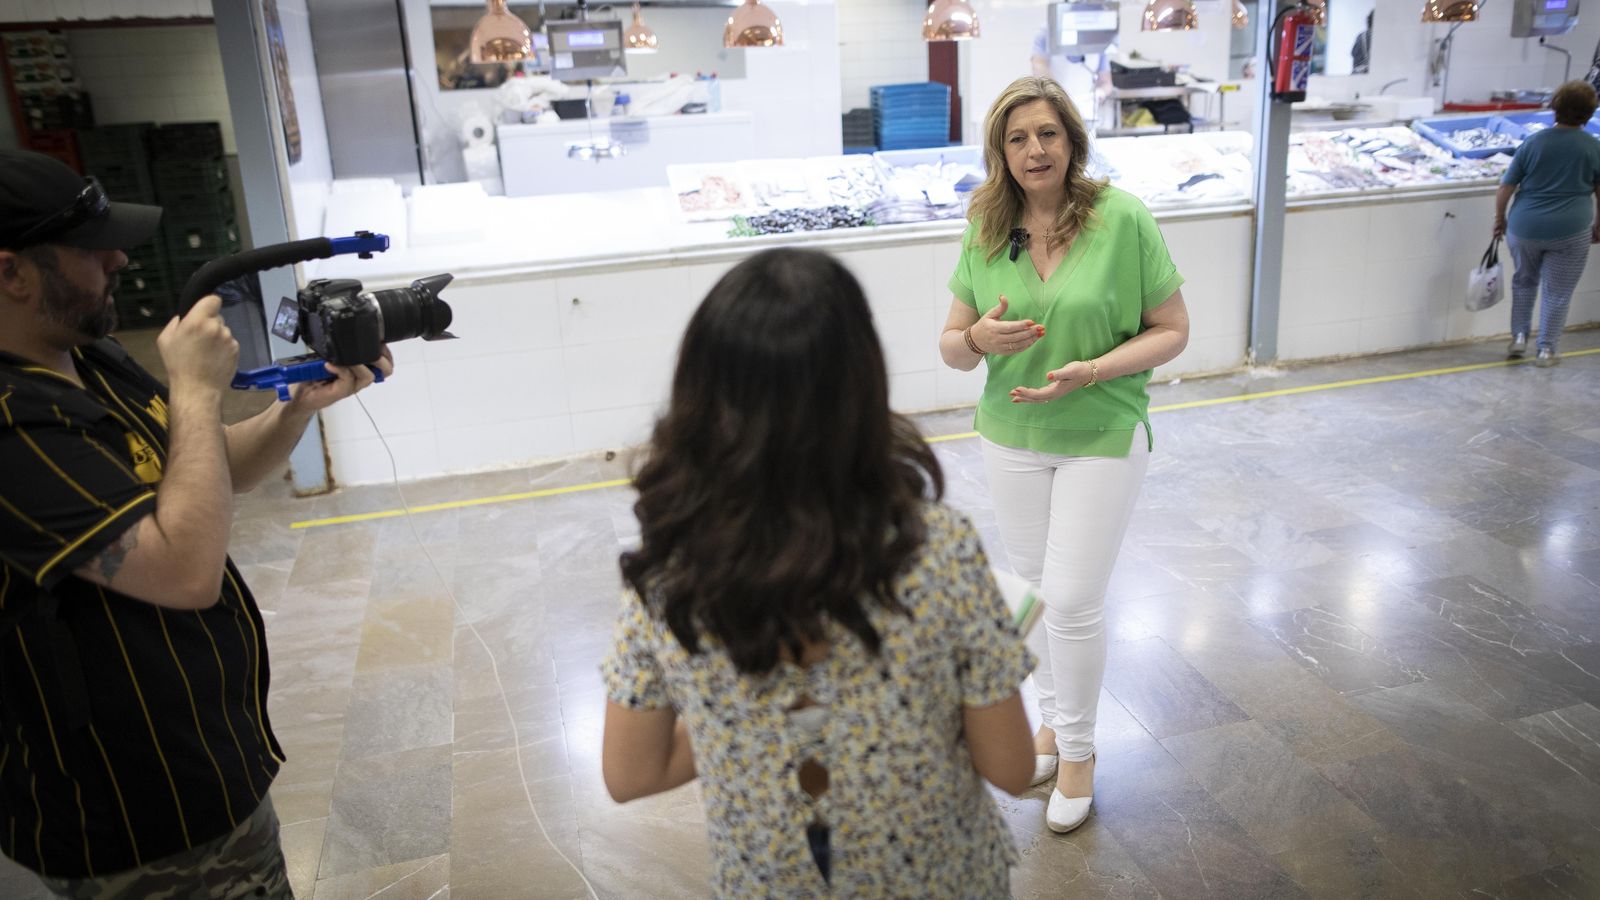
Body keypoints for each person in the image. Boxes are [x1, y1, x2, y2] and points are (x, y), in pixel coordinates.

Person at [0, 149, 392, 897]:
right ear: (13, 272)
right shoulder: (14, 424)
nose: (118, 259)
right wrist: (194, 388)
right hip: (131, 814)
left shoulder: (87, 355)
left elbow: (209, 470)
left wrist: (295, 408)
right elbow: (183, 571)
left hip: (200, 763)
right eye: (91, 249)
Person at [600, 248, 1036, 897]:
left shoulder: (670, 570)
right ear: (861, 382)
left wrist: (742, 715)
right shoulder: (939, 550)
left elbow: (630, 772)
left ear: (702, 390)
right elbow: (1012, 766)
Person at [936, 76, 1189, 834]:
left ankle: (1077, 752)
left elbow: (1172, 329)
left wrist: (1096, 369)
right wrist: (976, 338)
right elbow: (952, 348)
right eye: (1016, 139)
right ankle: (1053, 723)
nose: (1034, 150)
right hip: (1010, 436)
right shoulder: (986, 225)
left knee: (1074, 599)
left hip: (1101, 431)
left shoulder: (1122, 218)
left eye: (1047, 133)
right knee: (1041, 594)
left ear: (1072, 140)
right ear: (1000, 153)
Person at [1493, 80, 1600, 367]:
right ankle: (1546, 350)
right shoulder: (1594, 147)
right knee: (1558, 292)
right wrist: (1599, 224)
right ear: (1590, 113)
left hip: (1524, 227)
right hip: (1571, 229)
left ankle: (1518, 338)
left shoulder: (1533, 142)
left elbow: (1506, 187)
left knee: (1524, 281)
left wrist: (1499, 219)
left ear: (1555, 107)